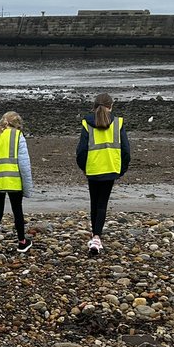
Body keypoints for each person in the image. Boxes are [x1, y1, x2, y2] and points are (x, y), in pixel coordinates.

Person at [75, 92, 130, 255]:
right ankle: (97, 236)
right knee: (102, 204)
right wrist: (121, 169)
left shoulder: (87, 123)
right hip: (111, 168)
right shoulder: (118, 123)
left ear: (94, 106)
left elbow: (81, 151)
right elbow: (126, 150)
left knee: (94, 202)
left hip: (93, 169)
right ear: (110, 106)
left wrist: (84, 167)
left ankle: (95, 235)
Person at [0, 111, 33, 259]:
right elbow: (24, 163)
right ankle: (22, 242)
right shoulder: (17, 136)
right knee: (17, 211)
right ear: (17, 124)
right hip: (13, 179)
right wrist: (27, 188)